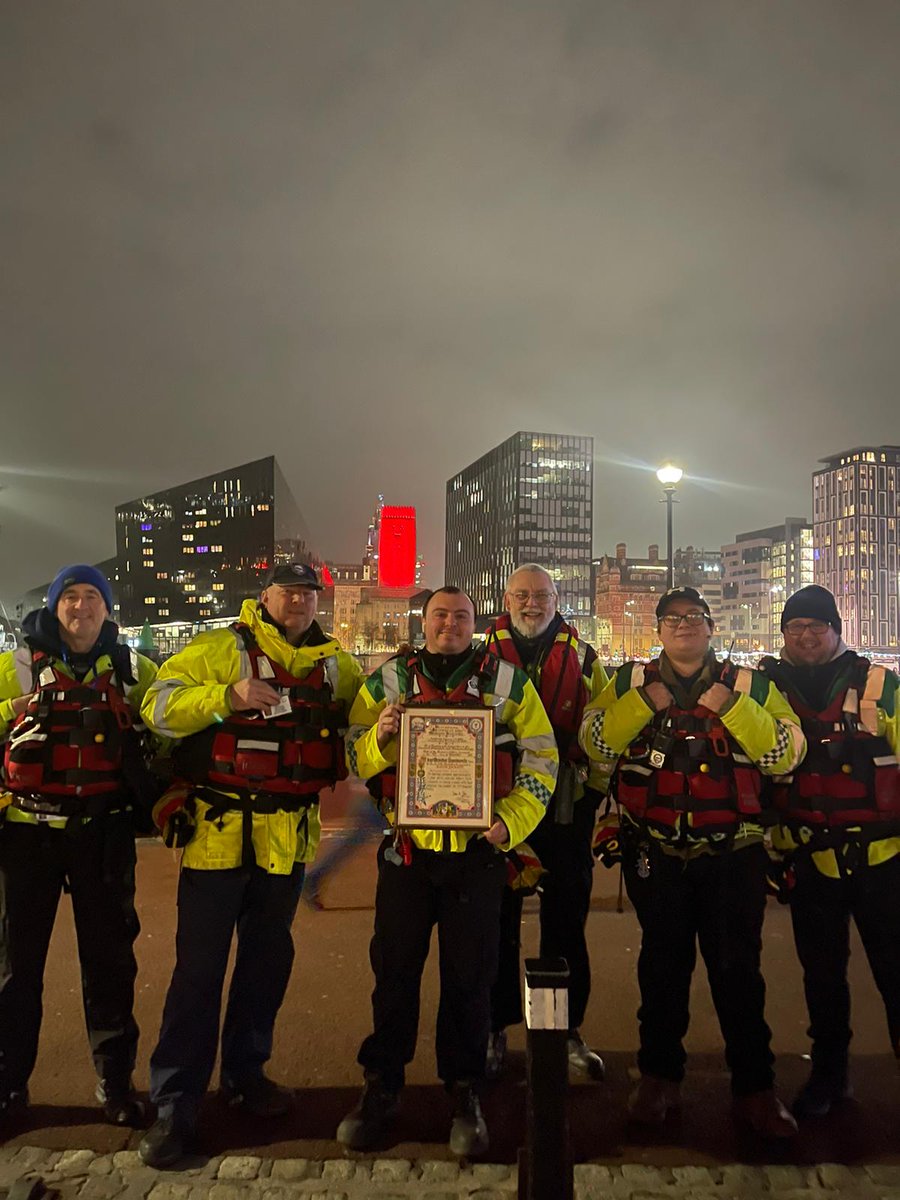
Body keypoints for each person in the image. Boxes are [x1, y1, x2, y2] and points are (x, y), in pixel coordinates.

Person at [137, 562, 364, 1167]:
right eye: (289, 591)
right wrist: (225, 697)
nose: (299, 601)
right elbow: (157, 709)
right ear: (264, 597)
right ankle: (175, 1101)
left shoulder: (336, 665)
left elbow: (361, 728)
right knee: (198, 973)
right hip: (217, 835)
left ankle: (246, 1074)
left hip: (286, 840)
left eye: (309, 593)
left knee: (266, 965)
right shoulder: (217, 648)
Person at [336, 586, 558, 1157]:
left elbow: (542, 755)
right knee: (393, 974)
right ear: (425, 621)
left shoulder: (509, 682)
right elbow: (351, 754)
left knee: (471, 978)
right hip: (407, 854)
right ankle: (382, 1085)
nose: (450, 625)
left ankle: (464, 1090)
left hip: (478, 857)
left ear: (474, 623)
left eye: (461, 616)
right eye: (440, 615)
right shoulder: (387, 680)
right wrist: (380, 741)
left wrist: (512, 822)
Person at [579, 586, 805, 1140]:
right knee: (660, 969)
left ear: (710, 627)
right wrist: (643, 705)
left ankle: (755, 1089)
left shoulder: (749, 685)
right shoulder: (629, 682)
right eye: (673, 619)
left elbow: (788, 751)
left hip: (733, 852)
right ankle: (658, 1078)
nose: (684, 626)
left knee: (738, 973)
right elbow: (594, 743)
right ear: (658, 631)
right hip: (655, 850)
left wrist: (732, 708)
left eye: (695, 618)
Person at [0, 564, 158, 1129]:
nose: (82, 606)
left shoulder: (135, 669)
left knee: (110, 962)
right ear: (54, 607)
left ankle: (115, 1083)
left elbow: (171, 723)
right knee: (16, 969)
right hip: (27, 834)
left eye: (94, 596)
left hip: (105, 833)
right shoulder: (14, 668)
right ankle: (7, 1088)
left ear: (108, 610)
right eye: (71, 596)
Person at [759, 585, 900, 1117]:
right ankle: (829, 1074)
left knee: (896, 971)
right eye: (795, 628)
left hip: (883, 857)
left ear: (837, 629)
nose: (805, 636)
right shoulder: (768, 689)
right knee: (822, 978)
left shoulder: (879, 687)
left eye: (816, 626)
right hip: (811, 858)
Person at [482, 563, 608, 1080]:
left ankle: (561, 1031)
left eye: (541, 595)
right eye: (521, 595)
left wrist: (588, 804)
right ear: (505, 599)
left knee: (564, 929)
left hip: (563, 814)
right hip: (499, 813)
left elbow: (602, 734)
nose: (531, 604)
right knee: (495, 927)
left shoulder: (585, 658)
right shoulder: (479, 654)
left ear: (557, 598)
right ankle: (495, 1028)